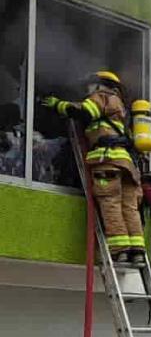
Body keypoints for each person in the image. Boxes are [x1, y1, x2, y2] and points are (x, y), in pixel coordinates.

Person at [40, 71, 145, 263]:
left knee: (110, 204)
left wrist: (58, 105)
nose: (87, 90)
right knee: (129, 207)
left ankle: (120, 249)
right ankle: (137, 251)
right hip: (127, 166)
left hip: (108, 161)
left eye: (89, 85)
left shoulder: (102, 97)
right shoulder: (122, 109)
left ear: (100, 85)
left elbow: (83, 113)